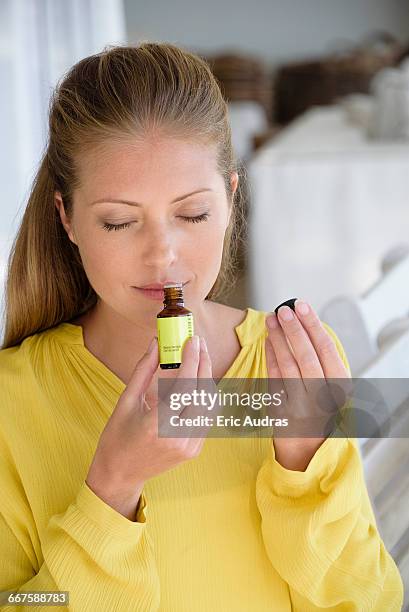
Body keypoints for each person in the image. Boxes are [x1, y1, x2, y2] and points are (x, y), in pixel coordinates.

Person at [0, 43, 403, 611]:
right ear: (66, 218)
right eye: (119, 222)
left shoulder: (292, 367)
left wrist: (304, 468)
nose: (162, 254)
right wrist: (111, 488)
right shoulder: (12, 402)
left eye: (192, 214)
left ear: (231, 200)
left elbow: (367, 601)